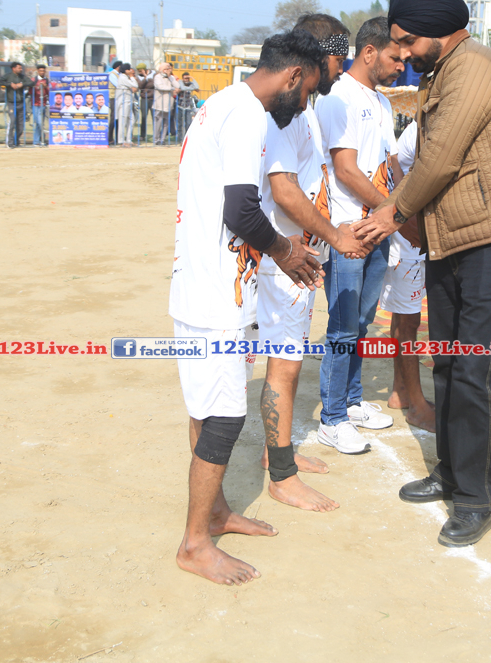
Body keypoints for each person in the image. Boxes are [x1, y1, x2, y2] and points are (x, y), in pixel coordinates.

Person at [353, 0, 491, 546]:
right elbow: (425, 160)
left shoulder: (476, 68)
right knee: (447, 363)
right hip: (451, 235)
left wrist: (393, 214)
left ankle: (478, 498)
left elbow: (439, 159)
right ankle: (453, 471)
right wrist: (403, 212)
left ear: (440, 32)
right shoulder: (440, 72)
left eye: (407, 41)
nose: (403, 52)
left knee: (474, 370)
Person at [168, 30, 325, 585]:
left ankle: (214, 513)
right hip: (216, 296)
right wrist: (286, 251)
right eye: (307, 91)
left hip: (206, 287)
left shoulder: (222, 103)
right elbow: (241, 209)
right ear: (293, 76)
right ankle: (194, 544)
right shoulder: (246, 115)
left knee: (206, 407)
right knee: (224, 418)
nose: (304, 104)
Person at [255, 17, 369, 513]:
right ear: (316, 59)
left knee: (288, 362)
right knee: (283, 364)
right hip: (284, 259)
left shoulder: (303, 110)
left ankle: (277, 452)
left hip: (298, 255)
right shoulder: (287, 114)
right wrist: (335, 236)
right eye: (338, 59)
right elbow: (284, 191)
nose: (340, 70)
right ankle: (282, 475)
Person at [315, 15, 401, 455]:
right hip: (348, 230)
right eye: (395, 56)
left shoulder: (382, 102)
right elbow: (345, 170)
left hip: (378, 230)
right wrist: (392, 210)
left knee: (362, 323)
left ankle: (350, 402)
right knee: (343, 327)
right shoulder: (339, 97)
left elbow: (391, 165)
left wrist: (395, 213)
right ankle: (331, 418)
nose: (402, 65)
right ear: (369, 52)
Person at [378, 120, 435, 433]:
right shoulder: (420, 126)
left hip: (429, 229)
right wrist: (406, 217)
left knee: (406, 316)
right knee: (409, 319)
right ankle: (415, 403)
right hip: (411, 231)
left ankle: (401, 391)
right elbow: (395, 168)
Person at [1, 62, 34, 148]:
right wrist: (10, 84)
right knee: (12, 122)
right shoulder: (8, 76)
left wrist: (22, 84)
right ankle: (10, 142)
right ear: (13, 68)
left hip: (21, 102)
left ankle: (16, 141)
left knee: (21, 125)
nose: (21, 69)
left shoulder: (22, 77)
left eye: (21, 68)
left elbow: (31, 82)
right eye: (19, 68)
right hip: (12, 102)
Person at [153, 62, 178, 145]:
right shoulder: (157, 77)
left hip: (169, 103)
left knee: (166, 123)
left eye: (169, 68)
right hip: (159, 103)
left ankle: (162, 139)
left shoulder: (171, 77)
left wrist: (170, 77)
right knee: (158, 122)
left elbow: (177, 85)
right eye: (167, 68)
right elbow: (160, 87)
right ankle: (156, 139)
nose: (169, 70)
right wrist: (172, 88)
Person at [116, 64, 139, 146]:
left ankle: (128, 140)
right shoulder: (123, 78)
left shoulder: (126, 78)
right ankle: (121, 140)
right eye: (129, 69)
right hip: (123, 102)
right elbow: (135, 85)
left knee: (132, 120)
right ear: (126, 70)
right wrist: (132, 77)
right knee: (123, 121)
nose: (131, 71)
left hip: (129, 101)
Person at [177, 71, 200, 142]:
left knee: (188, 124)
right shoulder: (180, 82)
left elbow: (197, 87)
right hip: (180, 106)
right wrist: (191, 88)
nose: (186, 79)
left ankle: (187, 139)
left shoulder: (191, 83)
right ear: (182, 78)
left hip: (188, 106)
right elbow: (183, 88)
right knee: (180, 124)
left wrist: (192, 78)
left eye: (188, 78)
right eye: (185, 78)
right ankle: (180, 139)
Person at [31, 65, 50, 147]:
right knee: (38, 122)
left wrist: (46, 87)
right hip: (35, 103)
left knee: (41, 122)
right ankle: (39, 139)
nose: (42, 72)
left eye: (43, 71)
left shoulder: (47, 80)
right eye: (40, 71)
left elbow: (49, 92)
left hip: (43, 104)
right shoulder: (34, 80)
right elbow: (30, 91)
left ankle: (38, 140)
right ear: (38, 71)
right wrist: (37, 88)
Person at [135, 64, 153, 143]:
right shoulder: (139, 77)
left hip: (153, 98)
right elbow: (140, 86)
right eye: (139, 71)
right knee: (144, 117)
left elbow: (153, 84)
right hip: (144, 98)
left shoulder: (153, 73)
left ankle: (156, 135)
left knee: (154, 117)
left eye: (141, 71)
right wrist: (145, 78)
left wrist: (146, 83)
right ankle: (143, 135)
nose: (140, 72)